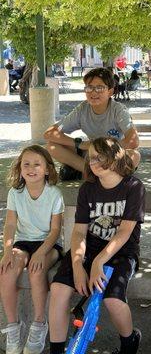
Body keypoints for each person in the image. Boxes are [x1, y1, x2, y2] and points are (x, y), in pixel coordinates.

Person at [48, 136, 145, 354]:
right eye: (92, 157)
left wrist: (98, 262)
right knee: (58, 288)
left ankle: (130, 342)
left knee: (113, 300)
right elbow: (80, 232)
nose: (95, 161)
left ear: (117, 156)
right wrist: (77, 265)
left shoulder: (133, 187)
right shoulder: (87, 189)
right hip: (88, 249)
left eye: (101, 156)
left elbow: (124, 232)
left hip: (121, 251)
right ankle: (56, 350)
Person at [0, 145, 64, 354]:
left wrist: (40, 252)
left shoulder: (54, 194)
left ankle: (39, 323)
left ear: (47, 169)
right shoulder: (15, 193)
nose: (31, 168)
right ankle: (13, 327)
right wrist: (8, 250)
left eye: (37, 164)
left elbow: (55, 231)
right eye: (26, 164)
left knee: (37, 271)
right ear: (19, 168)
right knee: (6, 271)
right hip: (23, 243)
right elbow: (10, 225)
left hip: (49, 245)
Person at [44, 67, 140, 181]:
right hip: (91, 155)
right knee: (52, 146)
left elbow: (133, 141)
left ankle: (91, 172)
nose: (93, 92)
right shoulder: (82, 109)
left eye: (99, 88)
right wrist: (79, 144)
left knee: (134, 155)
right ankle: (91, 172)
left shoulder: (119, 110)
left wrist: (105, 150)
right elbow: (49, 133)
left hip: (113, 155)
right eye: (89, 87)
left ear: (110, 91)